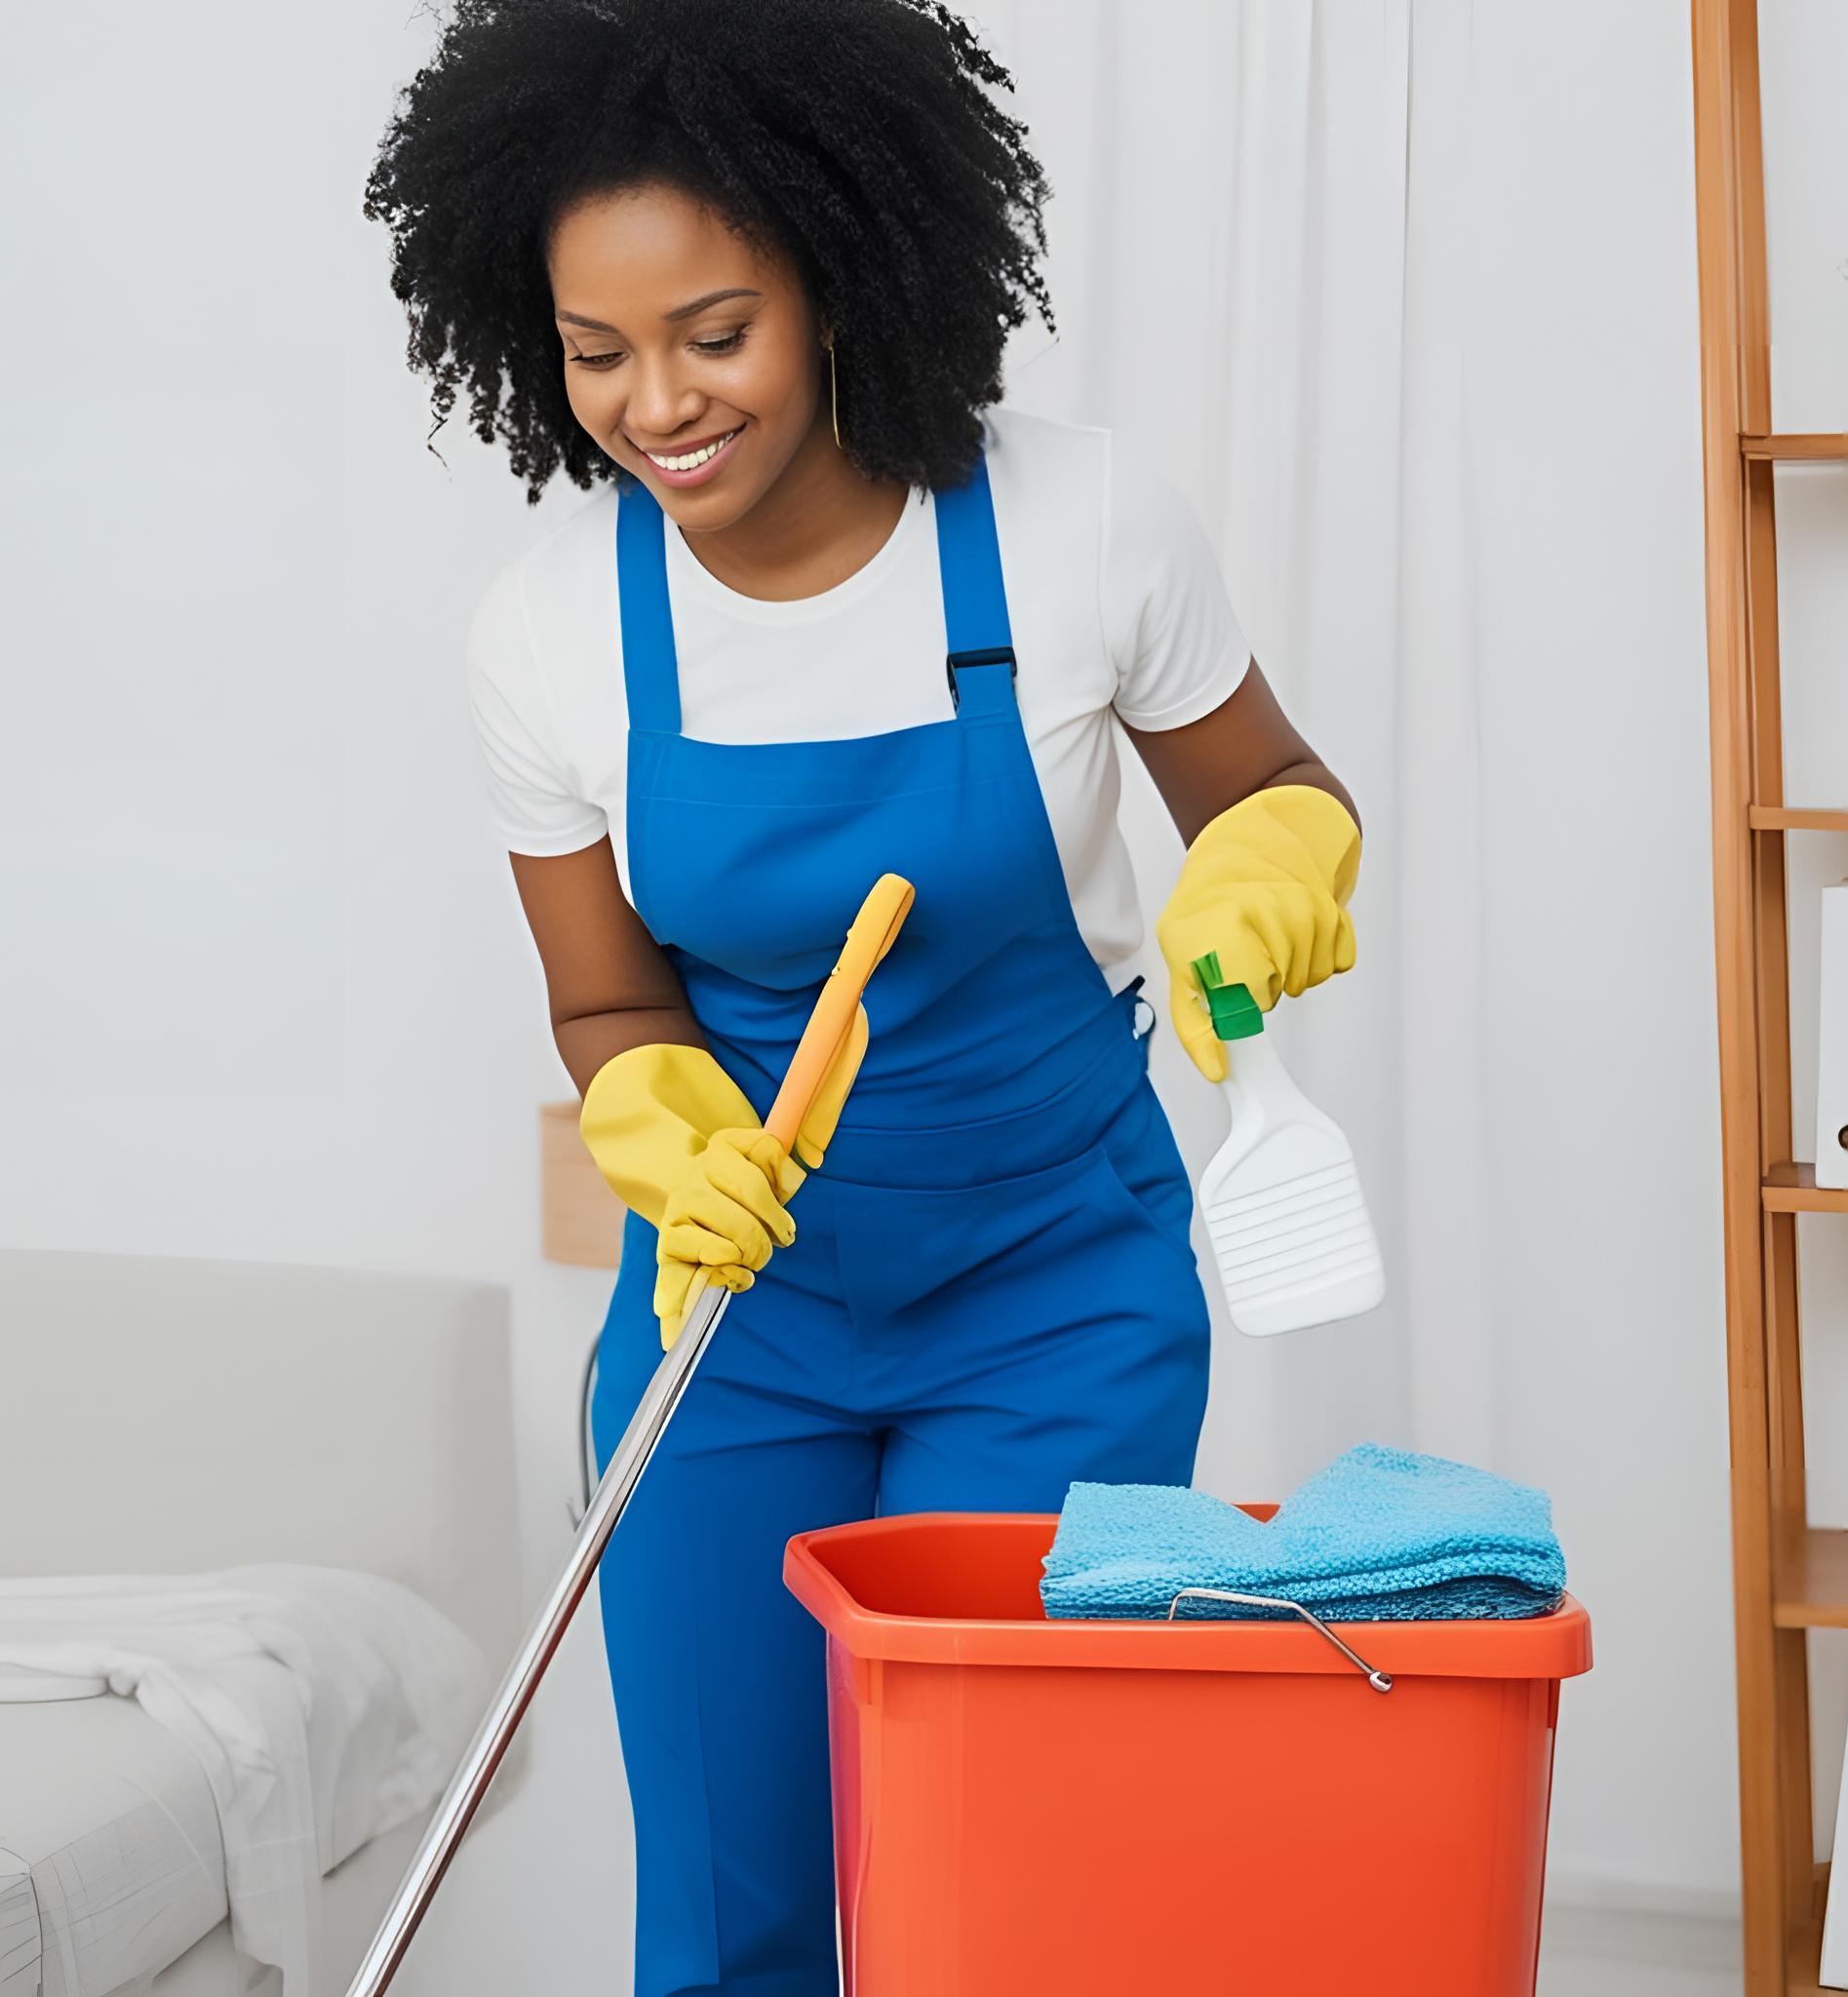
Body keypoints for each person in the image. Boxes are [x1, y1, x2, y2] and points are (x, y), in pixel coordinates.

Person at [366, 2, 1363, 1990]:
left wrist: (1266, 872)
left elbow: (1271, 787)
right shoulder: (551, 634)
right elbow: (606, 1007)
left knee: (992, 1907)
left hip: (1053, 1294)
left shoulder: (1077, 523)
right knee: (731, 1909)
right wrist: (660, 1125)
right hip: (728, 1317)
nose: (657, 403)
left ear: (836, 278)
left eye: (714, 331)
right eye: (595, 351)